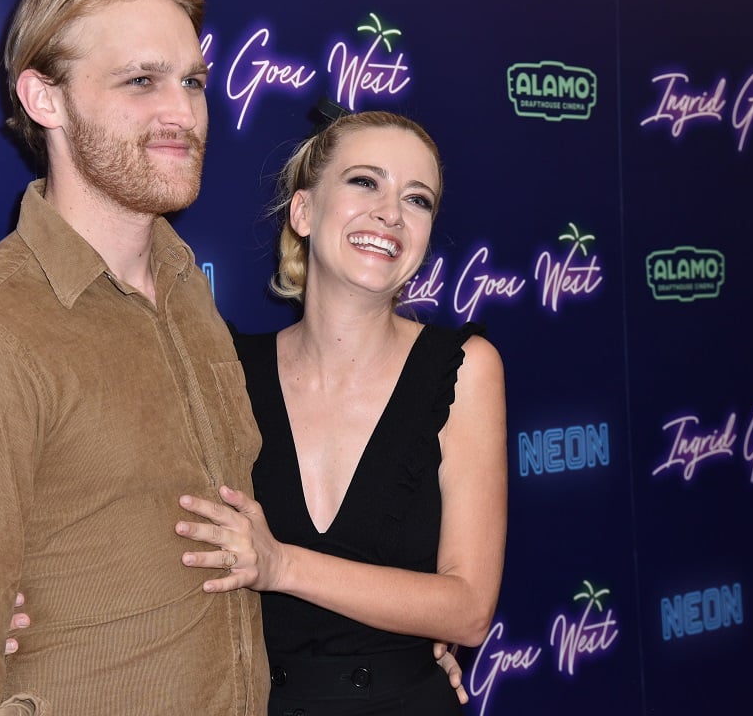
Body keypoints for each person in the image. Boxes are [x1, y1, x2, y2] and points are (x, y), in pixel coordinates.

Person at [0, 0, 267, 716]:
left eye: (192, 82)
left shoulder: (189, 292)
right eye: (140, 81)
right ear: (44, 99)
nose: (183, 114)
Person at [175, 110, 508, 714]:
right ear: (302, 212)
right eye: (364, 182)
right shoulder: (227, 370)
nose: (391, 212)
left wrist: (280, 565)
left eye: (418, 198)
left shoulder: (464, 367)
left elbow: (469, 610)